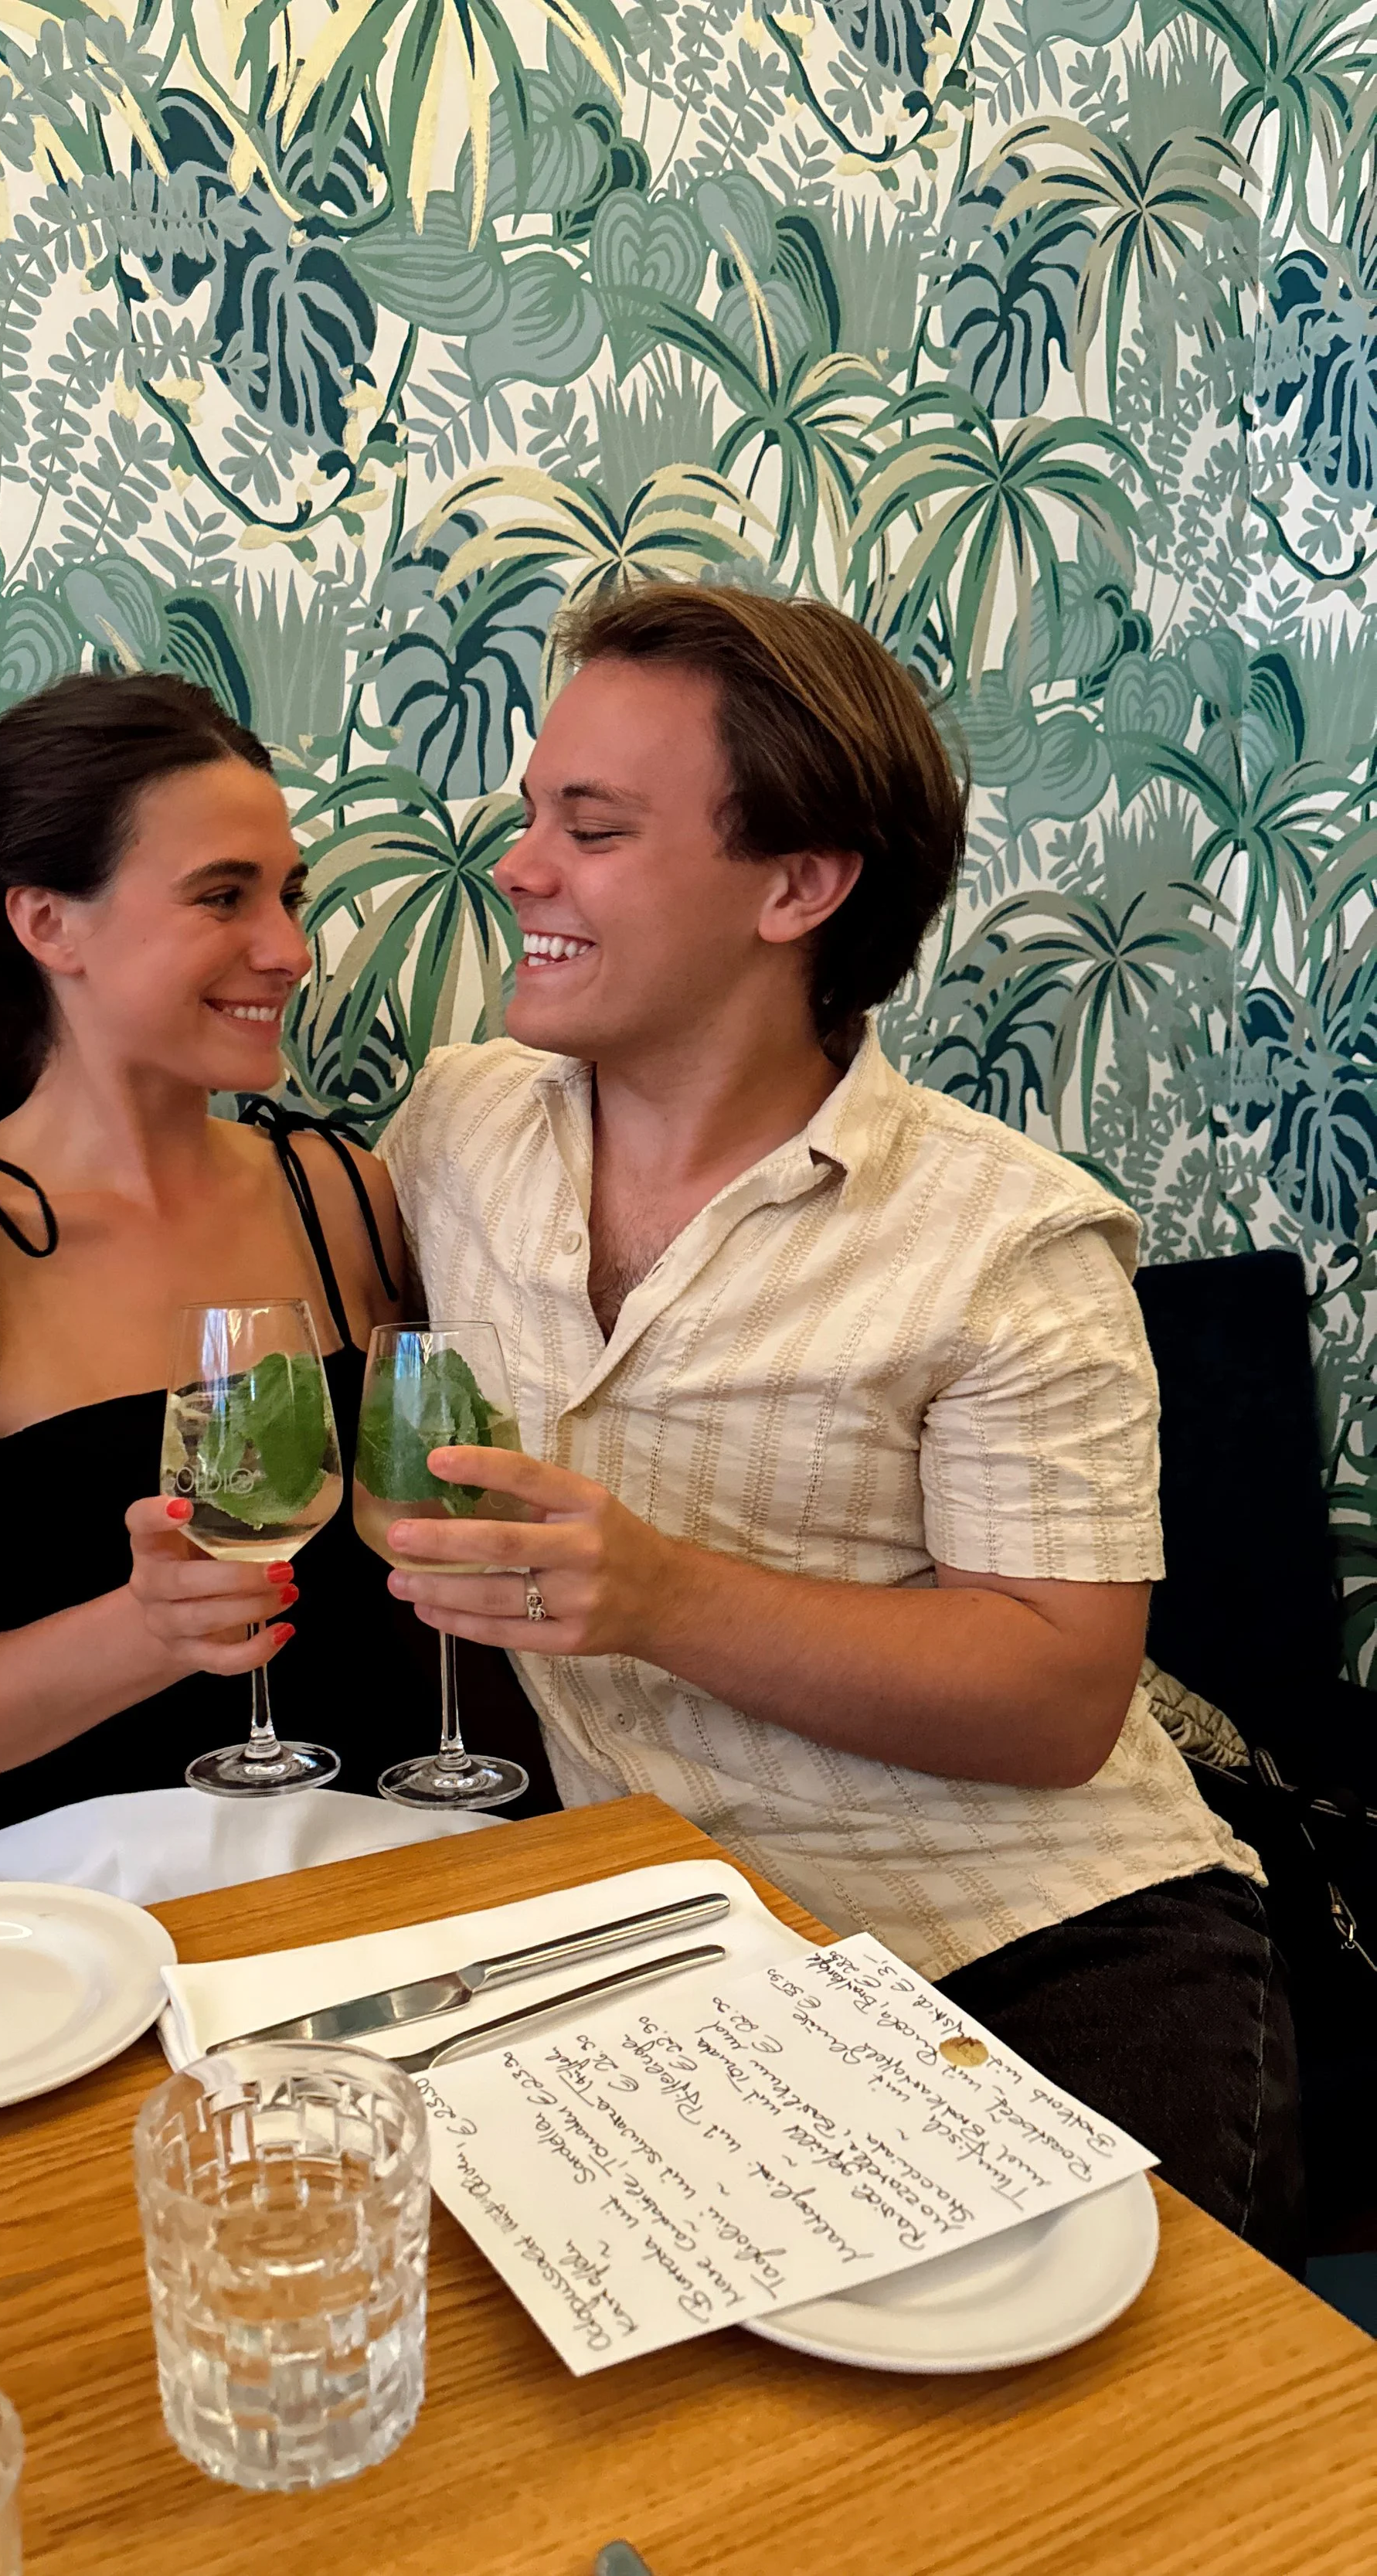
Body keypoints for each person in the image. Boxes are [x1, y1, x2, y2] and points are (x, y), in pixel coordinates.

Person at [377, 580, 1303, 2267]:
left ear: (795, 886)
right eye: (530, 816)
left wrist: (659, 1594)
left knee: (1109, 2472)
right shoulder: (455, 1129)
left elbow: (1053, 1694)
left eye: (589, 829)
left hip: (1038, 1932)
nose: (515, 869)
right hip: (665, 1947)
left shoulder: (1007, 1240)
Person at [0, 672, 541, 1894]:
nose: (288, 949)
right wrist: (146, 1632)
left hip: (374, 1851)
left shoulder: (337, 1187)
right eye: (222, 897)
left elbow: (416, 1576)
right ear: (47, 925)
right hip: (67, 1881)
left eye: (287, 894)